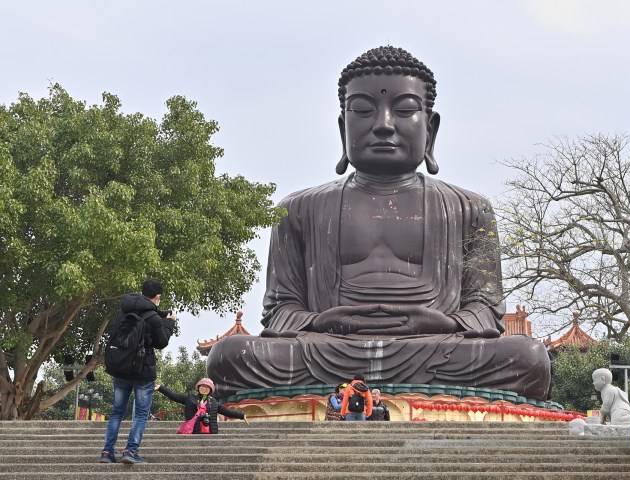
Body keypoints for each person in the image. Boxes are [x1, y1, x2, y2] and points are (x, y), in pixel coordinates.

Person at [206, 45, 551, 400]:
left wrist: (441, 322)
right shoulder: (298, 209)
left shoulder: (470, 208)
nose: (384, 125)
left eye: (404, 110)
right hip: (329, 347)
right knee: (231, 356)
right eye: (362, 110)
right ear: (343, 127)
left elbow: (486, 310)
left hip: (435, 346)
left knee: (528, 357)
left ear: (430, 129)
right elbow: (280, 310)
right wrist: (325, 322)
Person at [100, 279, 176, 464]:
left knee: (117, 412)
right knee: (141, 413)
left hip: (121, 368)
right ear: (157, 297)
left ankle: (107, 452)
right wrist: (169, 323)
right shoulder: (153, 318)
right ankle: (130, 452)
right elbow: (162, 342)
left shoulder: (124, 311)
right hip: (143, 371)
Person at [154, 378, 248, 433]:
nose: (204, 389)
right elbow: (174, 396)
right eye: (202, 386)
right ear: (198, 387)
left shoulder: (213, 402)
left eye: (207, 387)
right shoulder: (190, 398)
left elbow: (226, 411)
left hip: (210, 433)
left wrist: (241, 415)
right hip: (193, 432)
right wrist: (161, 388)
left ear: (210, 390)